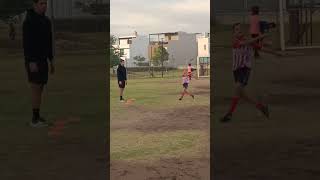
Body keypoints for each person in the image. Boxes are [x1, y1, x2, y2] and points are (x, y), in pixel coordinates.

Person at [221, 23, 269, 123]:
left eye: (241, 29)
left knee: (238, 88)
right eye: (237, 30)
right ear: (234, 33)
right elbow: (244, 44)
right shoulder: (235, 41)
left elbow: (260, 47)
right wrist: (260, 36)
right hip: (236, 70)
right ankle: (260, 106)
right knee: (242, 94)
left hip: (245, 69)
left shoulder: (248, 41)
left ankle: (229, 114)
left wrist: (276, 52)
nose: (239, 31)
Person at [23, 0, 55, 127]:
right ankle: (34, 120)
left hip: (43, 60)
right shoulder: (29, 22)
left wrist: (51, 60)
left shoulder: (46, 21)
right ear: (35, 5)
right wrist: (31, 61)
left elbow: (48, 43)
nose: (44, 6)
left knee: (41, 88)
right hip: (33, 61)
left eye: (45, 3)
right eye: (41, 3)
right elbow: (27, 44)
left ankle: (37, 116)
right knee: (35, 88)